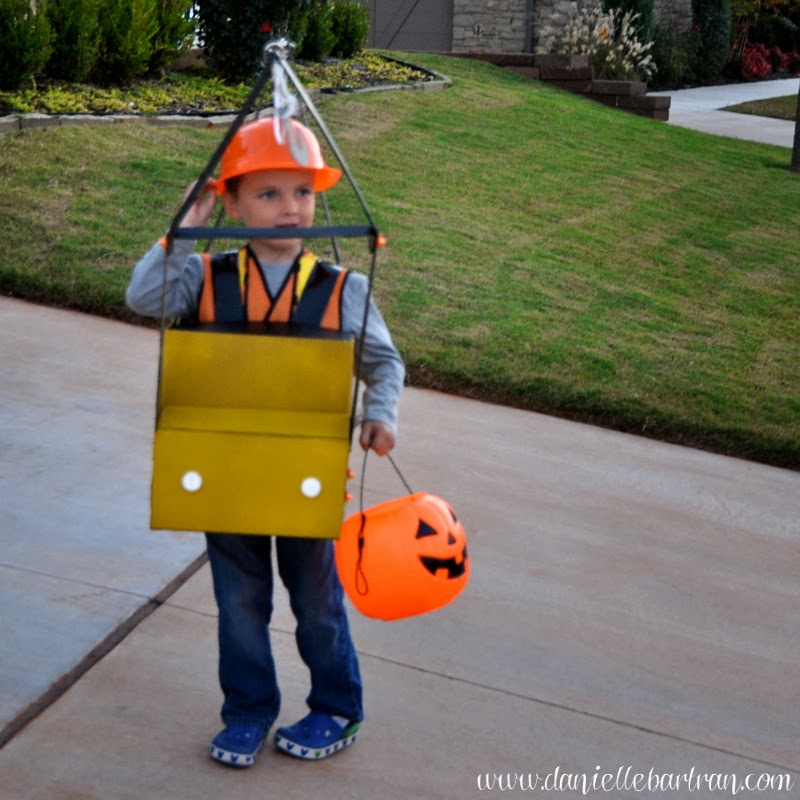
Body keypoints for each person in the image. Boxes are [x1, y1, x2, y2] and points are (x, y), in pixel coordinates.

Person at [126, 116, 404, 767]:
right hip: (226, 474)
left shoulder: (344, 288)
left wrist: (380, 413)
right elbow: (143, 297)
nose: (289, 208)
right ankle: (248, 710)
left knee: (316, 601)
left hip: (304, 475)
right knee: (240, 602)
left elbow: (384, 362)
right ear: (231, 203)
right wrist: (184, 220)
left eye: (301, 193)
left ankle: (336, 705)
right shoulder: (202, 276)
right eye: (269, 194)